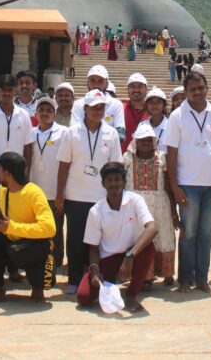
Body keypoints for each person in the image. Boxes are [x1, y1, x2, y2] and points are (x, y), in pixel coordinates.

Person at [165, 71, 211, 293]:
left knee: (206, 233)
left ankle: (202, 278)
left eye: (201, 87)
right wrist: (175, 187)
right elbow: (171, 154)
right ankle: (185, 278)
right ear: (185, 92)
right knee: (188, 233)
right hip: (188, 184)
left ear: (207, 88)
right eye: (192, 89)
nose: (197, 92)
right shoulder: (177, 116)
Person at [55, 89, 123, 295]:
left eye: (101, 108)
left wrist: (116, 196)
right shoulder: (71, 132)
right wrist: (59, 194)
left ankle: (102, 277)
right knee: (75, 240)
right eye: (94, 108)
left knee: (100, 239)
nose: (98, 111)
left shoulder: (111, 133)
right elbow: (64, 165)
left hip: (101, 196)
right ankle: (75, 280)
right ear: (85, 109)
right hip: (75, 195)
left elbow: (116, 167)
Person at [0, 152, 56, 302]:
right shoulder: (3, 190)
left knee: (44, 266)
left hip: (31, 245)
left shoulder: (34, 193)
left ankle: (38, 288)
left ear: (7, 173)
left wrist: (12, 227)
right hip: (10, 243)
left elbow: (49, 228)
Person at [78, 161, 159, 312]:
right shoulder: (96, 211)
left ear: (124, 182)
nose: (114, 183)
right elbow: (93, 248)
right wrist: (95, 271)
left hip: (131, 255)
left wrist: (130, 255)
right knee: (84, 297)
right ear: (103, 183)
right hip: (109, 258)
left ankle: (131, 295)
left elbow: (152, 228)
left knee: (149, 247)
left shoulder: (135, 200)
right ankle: (110, 282)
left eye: (117, 179)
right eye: (109, 180)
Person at [123, 126, 177, 287]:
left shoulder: (162, 158)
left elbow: (168, 186)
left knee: (163, 238)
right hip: (135, 207)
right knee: (140, 239)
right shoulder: (127, 158)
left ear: (154, 141)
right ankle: (145, 276)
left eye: (149, 140)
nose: (146, 143)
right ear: (135, 142)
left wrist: (174, 212)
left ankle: (166, 272)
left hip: (160, 206)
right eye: (142, 140)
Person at [30, 96, 68, 273]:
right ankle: (38, 260)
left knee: (55, 228)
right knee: (37, 227)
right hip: (35, 189)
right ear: (36, 113)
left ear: (55, 113)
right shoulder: (30, 133)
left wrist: (61, 193)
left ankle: (56, 261)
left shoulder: (63, 132)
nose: (44, 113)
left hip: (54, 190)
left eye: (49, 110)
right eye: (41, 110)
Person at [0, 73, 35, 183]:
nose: (7, 93)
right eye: (3, 90)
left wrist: (25, 174)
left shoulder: (23, 115)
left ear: (15, 90)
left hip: (17, 179)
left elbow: (28, 149)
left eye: (10, 90)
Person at [71, 65, 127, 141]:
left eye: (100, 81)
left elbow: (120, 135)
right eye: (92, 80)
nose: (96, 85)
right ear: (87, 83)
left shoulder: (116, 104)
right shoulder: (78, 104)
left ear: (107, 84)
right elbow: (74, 133)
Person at [122, 73, 150, 152]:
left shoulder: (153, 110)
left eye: (140, 86)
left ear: (146, 89)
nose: (136, 90)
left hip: (147, 157)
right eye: (132, 86)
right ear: (127, 89)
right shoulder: (120, 109)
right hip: (124, 157)